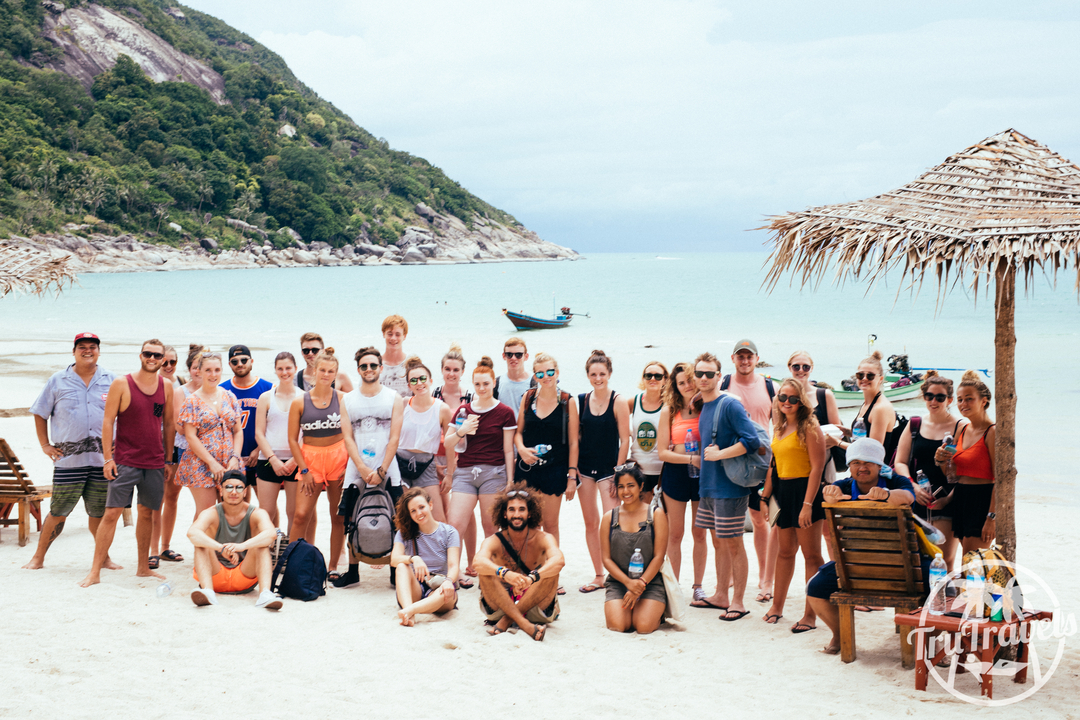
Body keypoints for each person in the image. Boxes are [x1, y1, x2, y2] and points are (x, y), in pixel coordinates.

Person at [807, 438, 919, 655]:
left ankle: (931, 646)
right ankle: (840, 636)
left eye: (869, 462)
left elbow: (907, 497)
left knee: (937, 588)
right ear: (849, 466)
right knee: (815, 588)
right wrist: (829, 496)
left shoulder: (896, 481)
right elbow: (828, 492)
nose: (862, 467)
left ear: (880, 465)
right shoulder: (844, 486)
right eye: (856, 462)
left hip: (900, 560)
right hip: (856, 562)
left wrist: (886, 495)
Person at [80, 339, 175, 587]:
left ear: (163, 359)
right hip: (125, 460)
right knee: (111, 514)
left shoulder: (166, 386)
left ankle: (143, 567)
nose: (152, 359)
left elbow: (169, 425)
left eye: (157, 355)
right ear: (140, 355)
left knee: (146, 513)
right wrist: (107, 458)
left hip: (154, 462)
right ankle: (94, 571)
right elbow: (108, 421)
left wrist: (168, 459)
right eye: (148, 354)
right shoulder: (122, 383)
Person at [23, 333, 116, 570]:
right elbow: (39, 412)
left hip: (101, 461)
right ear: (74, 351)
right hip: (68, 462)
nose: (88, 351)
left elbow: (123, 416)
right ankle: (38, 557)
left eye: (92, 347)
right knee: (58, 512)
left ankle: (104, 559)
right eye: (82, 347)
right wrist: (45, 445)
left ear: (98, 351)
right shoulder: (58, 380)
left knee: (98, 514)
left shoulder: (111, 380)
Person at [693, 352, 762, 621]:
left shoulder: (729, 404)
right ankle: (721, 594)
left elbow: (753, 440)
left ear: (719, 377)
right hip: (709, 486)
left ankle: (738, 601)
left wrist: (721, 454)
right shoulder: (704, 404)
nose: (703, 378)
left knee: (734, 544)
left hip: (730, 487)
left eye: (709, 374)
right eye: (699, 373)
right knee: (721, 542)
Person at [332, 346, 405, 588]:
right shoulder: (348, 400)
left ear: (381, 368)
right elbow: (348, 438)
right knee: (351, 518)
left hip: (388, 466)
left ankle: (395, 571)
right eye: (364, 365)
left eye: (373, 365)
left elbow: (394, 438)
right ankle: (353, 571)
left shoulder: (393, 398)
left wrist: (382, 469)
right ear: (358, 370)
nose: (369, 369)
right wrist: (362, 468)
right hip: (357, 466)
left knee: (397, 518)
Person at [759, 379, 826, 634]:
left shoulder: (810, 427)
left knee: (812, 555)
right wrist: (765, 498)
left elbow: (817, 468)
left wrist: (808, 504)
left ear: (802, 402)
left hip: (805, 492)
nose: (787, 402)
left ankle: (811, 614)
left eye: (793, 399)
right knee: (785, 552)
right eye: (782, 397)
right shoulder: (779, 426)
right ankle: (777, 606)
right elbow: (773, 466)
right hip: (783, 492)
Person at [288, 348, 358, 578]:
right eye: (322, 370)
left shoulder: (343, 399)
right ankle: (293, 562)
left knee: (338, 516)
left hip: (339, 458)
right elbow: (291, 439)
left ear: (336, 373)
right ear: (314, 371)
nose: (326, 375)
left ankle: (333, 566)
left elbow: (352, 433)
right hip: (311, 459)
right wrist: (304, 470)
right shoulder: (300, 402)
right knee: (301, 515)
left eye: (331, 371)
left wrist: (351, 462)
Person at [444, 356, 517, 566]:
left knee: (491, 527)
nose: (482, 388)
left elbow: (508, 450)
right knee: (455, 524)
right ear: (472, 384)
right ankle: (453, 574)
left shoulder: (505, 412)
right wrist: (462, 430)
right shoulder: (463, 410)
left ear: (494, 383)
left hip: (493, 473)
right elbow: (449, 443)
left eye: (486, 383)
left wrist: (510, 480)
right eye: (477, 384)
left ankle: (491, 574)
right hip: (465, 473)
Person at [721, 339, 777, 605]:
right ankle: (731, 574)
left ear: (757, 359)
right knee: (728, 521)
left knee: (759, 519)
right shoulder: (723, 385)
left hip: (760, 463)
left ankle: (766, 578)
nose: (745, 361)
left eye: (749, 357)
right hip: (729, 463)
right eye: (740, 357)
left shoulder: (769, 386)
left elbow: (782, 422)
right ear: (733, 358)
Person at [475, 483, 565, 641]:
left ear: (530, 513)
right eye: (512, 509)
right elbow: (478, 562)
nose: (517, 514)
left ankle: (508, 620)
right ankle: (523, 623)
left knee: (552, 571)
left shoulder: (543, 538)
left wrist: (531, 578)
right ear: (504, 514)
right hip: (500, 604)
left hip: (536, 605)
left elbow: (559, 560)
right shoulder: (495, 540)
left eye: (521, 509)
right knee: (485, 571)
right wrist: (505, 574)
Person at [894, 370, 964, 569]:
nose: (934, 401)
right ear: (923, 397)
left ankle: (943, 599)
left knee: (944, 559)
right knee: (916, 558)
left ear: (949, 399)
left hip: (947, 501)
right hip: (917, 499)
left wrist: (948, 499)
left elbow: (965, 471)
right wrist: (913, 487)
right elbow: (900, 462)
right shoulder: (914, 424)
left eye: (940, 397)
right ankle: (926, 600)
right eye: (929, 396)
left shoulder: (960, 427)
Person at [186, 470, 283, 610]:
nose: (233, 492)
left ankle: (265, 594)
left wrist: (241, 546)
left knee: (261, 543)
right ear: (221, 491)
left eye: (238, 488)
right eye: (229, 487)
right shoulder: (210, 513)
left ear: (245, 492)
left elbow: (271, 534)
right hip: (214, 575)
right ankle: (208, 592)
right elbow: (192, 533)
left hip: (245, 576)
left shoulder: (257, 513)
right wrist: (221, 548)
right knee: (201, 542)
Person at [576, 349, 630, 594]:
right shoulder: (581, 400)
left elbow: (625, 440)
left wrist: (619, 473)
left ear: (609, 374)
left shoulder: (618, 400)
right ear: (588, 375)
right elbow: (576, 437)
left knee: (613, 525)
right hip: (585, 470)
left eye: (602, 374)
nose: (598, 378)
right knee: (591, 523)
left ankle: (617, 575)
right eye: (593, 374)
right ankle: (599, 575)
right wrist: (573, 469)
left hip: (610, 471)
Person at [514, 352, 579, 546]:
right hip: (527, 469)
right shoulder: (528, 397)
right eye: (540, 373)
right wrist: (522, 451)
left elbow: (574, 442)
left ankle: (551, 571)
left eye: (550, 371)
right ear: (535, 376)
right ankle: (530, 567)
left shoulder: (568, 401)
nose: (545, 377)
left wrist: (572, 477)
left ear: (557, 372)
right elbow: (518, 433)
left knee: (550, 525)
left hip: (555, 470)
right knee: (529, 524)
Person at [657, 361, 708, 603]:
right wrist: (690, 458)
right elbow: (662, 453)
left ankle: (698, 586)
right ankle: (674, 586)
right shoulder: (668, 410)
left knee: (699, 534)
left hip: (702, 476)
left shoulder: (706, 407)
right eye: (681, 383)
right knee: (674, 535)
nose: (686, 385)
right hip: (676, 475)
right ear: (675, 387)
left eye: (689, 380)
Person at [600, 465, 669, 634]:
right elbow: (606, 559)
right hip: (620, 582)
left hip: (650, 581)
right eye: (621, 486)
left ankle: (656, 612)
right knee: (619, 625)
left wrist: (641, 583)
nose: (626, 491)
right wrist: (628, 583)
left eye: (631, 485)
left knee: (643, 627)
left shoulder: (656, 514)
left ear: (640, 486)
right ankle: (636, 608)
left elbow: (659, 556)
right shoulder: (609, 518)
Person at [154, 344, 206, 566]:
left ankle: (172, 548)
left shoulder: (182, 384)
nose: (167, 366)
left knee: (200, 503)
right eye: (163, 361)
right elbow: (169, 421)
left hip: (194, 449)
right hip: (169, 448)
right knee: (166, 498)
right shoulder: (158, 385)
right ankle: (157, 549)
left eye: (171, 362)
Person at [176, 352, 244, 518]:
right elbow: (190, 436)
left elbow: (237, 431)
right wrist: (211, 463)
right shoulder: (192, 401)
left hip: (229, 461)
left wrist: (235, 457)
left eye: (217, 370)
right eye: (208, 370)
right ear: (199, 371)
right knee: (206, 512)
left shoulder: (229, 397)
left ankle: (223, 545)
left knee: (230, 511)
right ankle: (201, 545)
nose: (213, 375)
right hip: (201, 463)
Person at [936, 370, 996, 554]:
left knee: (971, 568)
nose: (963, 404)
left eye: (969, 399)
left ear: (984, 400)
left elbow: (1001, 480)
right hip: (961, 499)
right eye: (960, 399)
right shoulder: (962, 429)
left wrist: (991, 518)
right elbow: (953, 474)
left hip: (982, 501)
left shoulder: (993, 432)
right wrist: (940, 460)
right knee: (972, 568)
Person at [433, 344, 477, 586]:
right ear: (442, 370)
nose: (451, 373)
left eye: (456, 369)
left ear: (462, 371)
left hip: (464, 460)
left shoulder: (469, 397)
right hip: (437, 460)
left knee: (467, 514)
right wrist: (437, 464)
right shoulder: (433, 395)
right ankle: (453, 567)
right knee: (448, 516)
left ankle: (471, 563)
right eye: (447, 369)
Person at [390, 487, 461, 626]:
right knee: (401, 566)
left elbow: (454, 566)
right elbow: (394, 559)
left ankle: (409, 611)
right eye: (413, 511)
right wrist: (413, 558)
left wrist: (448, 581)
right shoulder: (404, 532)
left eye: (422, 507)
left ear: (430, 505)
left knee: (446, 592)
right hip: (415, 587)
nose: (419, 513)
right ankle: (409, 612)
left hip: (439, 587)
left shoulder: (449, 532)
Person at [397, 357, 452, 521]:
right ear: (409, 385)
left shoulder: (442, 409)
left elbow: (450, 444)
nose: (419, 383)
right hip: (400, 463)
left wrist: (450, 474)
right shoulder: (403, 403)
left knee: (437, 519)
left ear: (431, 380)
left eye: (423, 378)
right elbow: (391, 437)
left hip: (426, 465)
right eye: (413, 380)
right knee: (406, 518)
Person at [254, 352, 303, 533]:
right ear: (275, 370)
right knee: (266, 512)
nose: (285, 372)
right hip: (268, 460)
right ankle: (265, 554)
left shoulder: (304, 397)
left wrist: (295, 461)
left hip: (296, 460)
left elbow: (307, 435)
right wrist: (273, 459)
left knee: (295, 512)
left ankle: (290, 554)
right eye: (280, 369)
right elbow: (259, 433)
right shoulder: (266, 398)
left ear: (295, 369)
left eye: (288, 368)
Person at [219, 344, 273, 487]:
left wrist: (259, 449)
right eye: (235, 361)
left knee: (267, 506)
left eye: (244, 360)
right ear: (229, 364)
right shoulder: (222, 390)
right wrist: (233, 455)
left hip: (260, 456)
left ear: (252, 361)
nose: (240, 364)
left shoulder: (268, 388)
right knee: (236, 504)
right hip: (233, 458)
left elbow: (274, 424)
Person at [786, 351, 842, 481]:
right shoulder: (783, 397)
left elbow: (837, 430)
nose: (801, 370)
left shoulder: (825, 395)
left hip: (823, 459)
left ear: (811, 368)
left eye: (805, 367)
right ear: (790, 368)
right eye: (796, 366)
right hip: (794, 460)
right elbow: (780, 432)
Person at [836, 350, 899, 460]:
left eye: (870, 376)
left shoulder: (880, 408)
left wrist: (837, 443)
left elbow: (871, 451)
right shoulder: (868, 403)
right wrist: (847, 432)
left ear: (880, 379)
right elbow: (868, 435)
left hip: (874, 473)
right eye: (860, 375)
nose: (864, 378)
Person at [626, 361, 667, 498]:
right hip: (638, 470)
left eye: (658, 376)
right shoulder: (634, 402)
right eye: (648, 375)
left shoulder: (670, 404)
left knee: (662, 517)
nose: (653, 379)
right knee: (640, 518)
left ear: (665, 380)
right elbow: (615, 424)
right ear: (643, 379)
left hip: (663, 471)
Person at [494, 337, 533, 413]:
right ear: (504, 356)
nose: (513, 358)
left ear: (526, 357)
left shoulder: (535, 383)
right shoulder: (496, 383)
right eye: (509, 354)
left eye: (518, 355)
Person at [379, 315, 411, 398]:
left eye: (397, 334)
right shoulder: (374, 364)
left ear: (404, 336)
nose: (393, 338)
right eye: (389, 334)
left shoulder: (411, 363)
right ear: (383, 334)